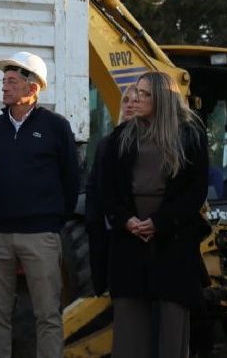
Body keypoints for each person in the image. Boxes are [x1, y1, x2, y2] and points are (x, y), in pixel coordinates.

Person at [0, 51, 80, 358]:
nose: (4, 87)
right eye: (4, 81)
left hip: (41, 235)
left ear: (32, 88)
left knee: (47, 314)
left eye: (11, 81)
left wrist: (51, 222)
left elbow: (71, 180)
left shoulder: (56, 127)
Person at [102, 71, 208, 358]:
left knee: (172, 325)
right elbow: (107, 189)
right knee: (129, 327)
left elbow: (196, 191)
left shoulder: (189, 135)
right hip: (129, 238)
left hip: (172, 239)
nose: (137, 97)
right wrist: (126, 220)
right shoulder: (121, 136)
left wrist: (159, 223)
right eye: (137, 91)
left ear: (163, 98)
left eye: (145, 93)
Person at [84, 84, 139, 296]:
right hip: (105, 230)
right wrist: (93, 220)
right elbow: (94, 185)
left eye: (136, 101)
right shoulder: (106, 143)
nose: (130, 105)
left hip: (130, 231)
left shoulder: (149, 145)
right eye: (126, 101)